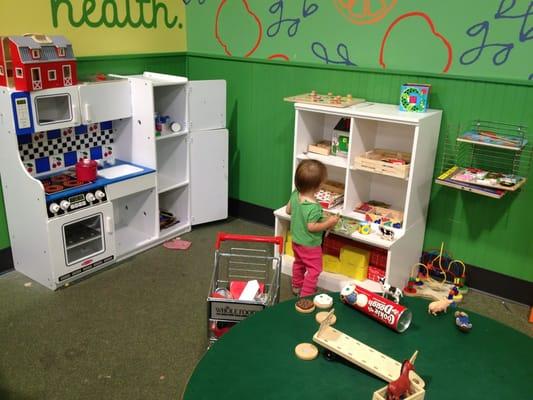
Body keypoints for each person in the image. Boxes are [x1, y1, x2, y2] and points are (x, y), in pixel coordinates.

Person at [286, 159, 340, 297]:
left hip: (296, 240)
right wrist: (330, 222)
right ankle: (306, 294)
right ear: (318, 187)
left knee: (299, 263)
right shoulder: (314, 207)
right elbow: (312, 227)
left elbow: (288, 210)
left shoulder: (295, 194)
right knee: (314, 269)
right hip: (310, 244)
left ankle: (297, 286)